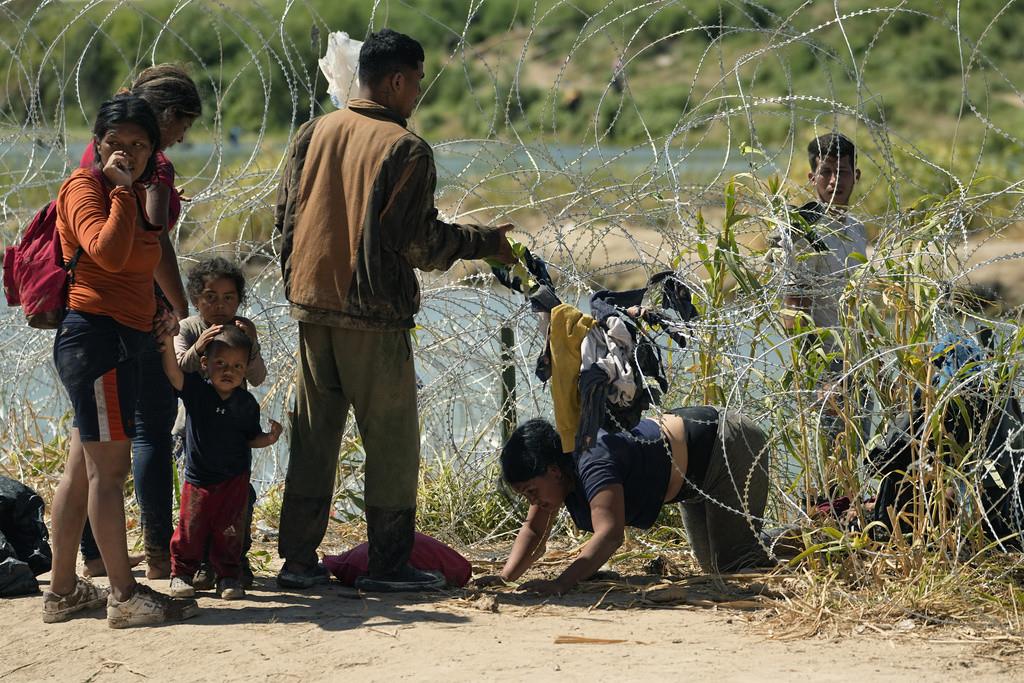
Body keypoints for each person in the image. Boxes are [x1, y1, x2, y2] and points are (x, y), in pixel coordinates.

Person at [275, 28, 515, 591]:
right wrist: (484, 243)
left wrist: (298, 285)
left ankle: (297, 562)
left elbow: (285, 220)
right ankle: (388, 565)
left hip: (311, 307)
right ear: (397, 80)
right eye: (418, 83)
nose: (418, 95)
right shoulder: (404, 148)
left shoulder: (313, 133)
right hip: (372, 313)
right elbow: (419, 244)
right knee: (391, 443)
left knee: (313, 437)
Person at [44, 94, 198, 627]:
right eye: (116, 144)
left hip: (122, 336)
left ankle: (63, 592)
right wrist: (125, 193)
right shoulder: (84, 189)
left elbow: (143, 261)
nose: (127, 154)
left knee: (82, 469)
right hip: (98, 341)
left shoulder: (141, 193)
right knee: (109, 474)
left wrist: (165, 312)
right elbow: (106, 253)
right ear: (98, 144)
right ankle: (125, 596)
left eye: (139, 145)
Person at [78, 64, 203, 581]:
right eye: (182, 127)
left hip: (86, 308)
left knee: (89, 441)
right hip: (137, 306)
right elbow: (154, 242)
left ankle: (91, 556)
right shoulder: (153, 166)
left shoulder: (97, 153)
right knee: (152, 425)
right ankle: (156, 554)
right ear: (167, 117)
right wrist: (180, 309)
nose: (180, 139)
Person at [477, 409, 772, 595]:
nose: (534, 501)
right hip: (692, 479)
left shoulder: (592, 460)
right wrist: (505, 578)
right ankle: (775, 541)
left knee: (736, 568)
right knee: (714, 568)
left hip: (726, 447)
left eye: (531, 491)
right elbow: (534, 531)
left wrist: (561, 584)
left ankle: (797, 544)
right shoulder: (558, 472)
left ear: (552, 470)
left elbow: (610, 534)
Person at [159, 325, 282, 601]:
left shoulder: (247, 403)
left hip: (234, 480)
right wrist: (167, 340)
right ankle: (181, 574)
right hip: (199, 479)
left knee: (230, 530)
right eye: (221, 364)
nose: (229, 371)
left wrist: (270, 438)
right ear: (205, 364)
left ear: (245, 370)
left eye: (237, 366)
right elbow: (173, 373)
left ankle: (228, 576)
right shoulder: (197, 393)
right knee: (190, 529)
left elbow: (250, 438)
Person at [174, 256, 267, 588]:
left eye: (229, 297)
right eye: (210, 297)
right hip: (196, 433)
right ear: (196, 299)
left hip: (234, 432)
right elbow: (177, 370)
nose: (220, 305)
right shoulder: (188, 328)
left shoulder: (241, 330)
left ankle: (235, 560)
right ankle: (200, 564)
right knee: (199, 503)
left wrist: (251, 342)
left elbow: (257, 378)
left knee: (240, 497)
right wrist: (198, 347)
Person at [771, 132, 867, 338]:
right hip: (824, 360)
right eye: (826, 172)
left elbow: (858, 304)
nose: (834, 180)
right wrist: (818, 366)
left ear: (856, 176)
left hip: (855, 358)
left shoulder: (857, 229)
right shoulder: (806, 235)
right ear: (812, 178)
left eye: (842, 172)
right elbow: (794, 318)